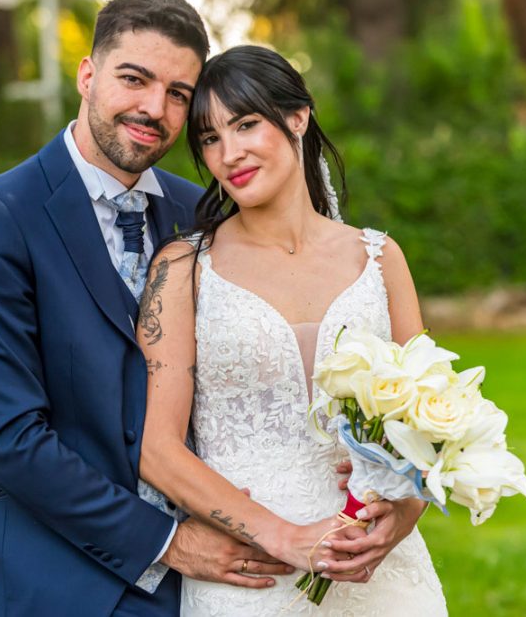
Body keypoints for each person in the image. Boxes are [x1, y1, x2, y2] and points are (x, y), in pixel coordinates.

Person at [0, 0, 293, 617]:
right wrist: (165, 543)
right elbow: (11, 438)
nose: (153, 108)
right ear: (88, 74)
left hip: (215, 586)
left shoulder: (202, 213)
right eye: (134, 79)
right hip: (66, 584)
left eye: (178, 94)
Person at [136, 45, 448, 615]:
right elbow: (156, 450)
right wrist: (280, 536)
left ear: (298, 116)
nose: (229, 153)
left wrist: (400, 519)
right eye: (209, 138)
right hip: (252, 578)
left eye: (247, 124)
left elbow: (429, 421)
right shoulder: (182, 269)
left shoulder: (380, 258)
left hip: (380, 572)